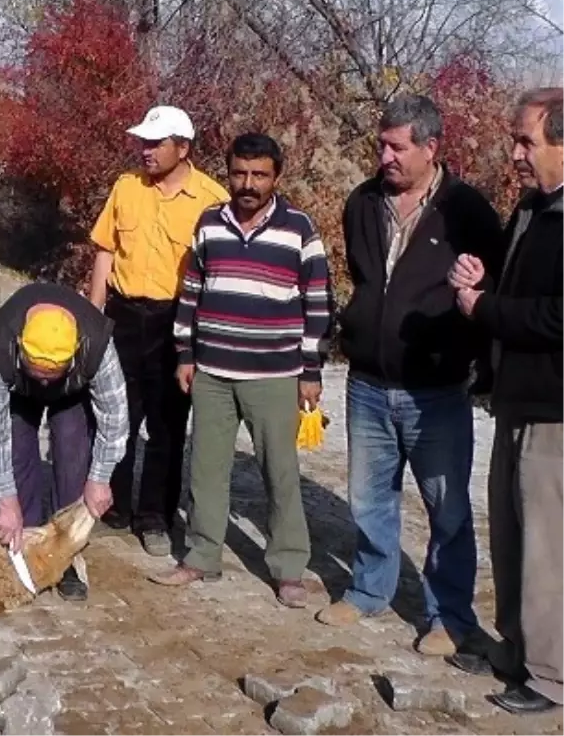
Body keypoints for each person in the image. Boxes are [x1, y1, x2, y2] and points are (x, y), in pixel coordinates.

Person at [315, 95, 504, 656]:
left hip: (437, 390)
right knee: (370, 497)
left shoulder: (466, 210)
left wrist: (475, 357)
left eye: (398, 146)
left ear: (431, 147)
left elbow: (492, 289)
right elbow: (363, 278)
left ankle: (449, 615)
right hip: (369, 383)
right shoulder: (362, 202)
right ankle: (369, 590)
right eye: (381, 144)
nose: (385, 156)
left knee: (446, 506)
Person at [149, 133, 330, 608]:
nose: (248, 184)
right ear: (227, 173)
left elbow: (316, 303)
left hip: (275, 374)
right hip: (212, 371)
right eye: (239, 173)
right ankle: (202, 555)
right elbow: (191, 292)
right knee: (207, 470)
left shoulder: (300, 230)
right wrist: (186, 354)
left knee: (280, 472)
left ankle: (289, 568)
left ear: (276, 176)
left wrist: (310, 369)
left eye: (259, 174)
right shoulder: (209, 224)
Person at [448, 88, 564, 714]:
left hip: (557, 412)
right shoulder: (531, 208)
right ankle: (519, 648)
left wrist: (486, 308)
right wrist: (481, 283)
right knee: (513, 534)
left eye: (527, 141)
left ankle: (553, 676)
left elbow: (557, 316)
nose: (515, 153)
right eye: (515, 139)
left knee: (551, 546)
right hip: (516, 399)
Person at [87, 104, 229, 554]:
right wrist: (94, 316)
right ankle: (114, 507)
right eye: (143, 142)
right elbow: (105, 251)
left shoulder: (212, 200)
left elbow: (219, 273)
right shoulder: (126, 187)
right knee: (114, 416)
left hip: (177, 320)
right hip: (124, 316)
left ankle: (155, 518)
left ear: (182, 148)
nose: (144, 151)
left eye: (155, 143)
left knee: (167, 423)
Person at [0, 282, 129, 601]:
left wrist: (100, 478)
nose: (43, 380)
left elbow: (115, 414)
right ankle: (25, 542)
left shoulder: (96, 342)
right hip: (18, 390)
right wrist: (5, 501)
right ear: (20, 345)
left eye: (50, 374)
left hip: (72, 393)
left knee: (73, 450)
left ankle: (66, 553)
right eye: (38, 371)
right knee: (14, 447)